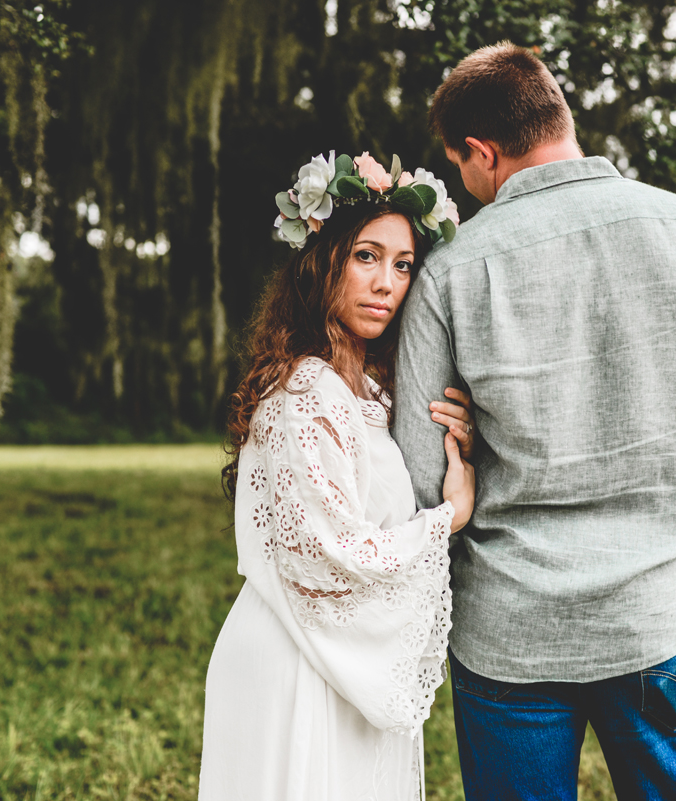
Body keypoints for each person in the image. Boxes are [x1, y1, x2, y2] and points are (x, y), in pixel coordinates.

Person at [392, 44, 676, 800]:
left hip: (508, 637)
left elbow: (422, 476)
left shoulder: (452, 273)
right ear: (559, 118)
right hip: (661, 619)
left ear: (482, 153)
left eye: (462, 165)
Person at [199, 151, 474, 801]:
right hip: (299, 664)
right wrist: (450, 517)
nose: (387, 282)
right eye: (366, 256)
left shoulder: (367, 392)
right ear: (323, 261)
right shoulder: (304, 392)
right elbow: (336, 554)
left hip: (340, 661)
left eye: (403, 265)